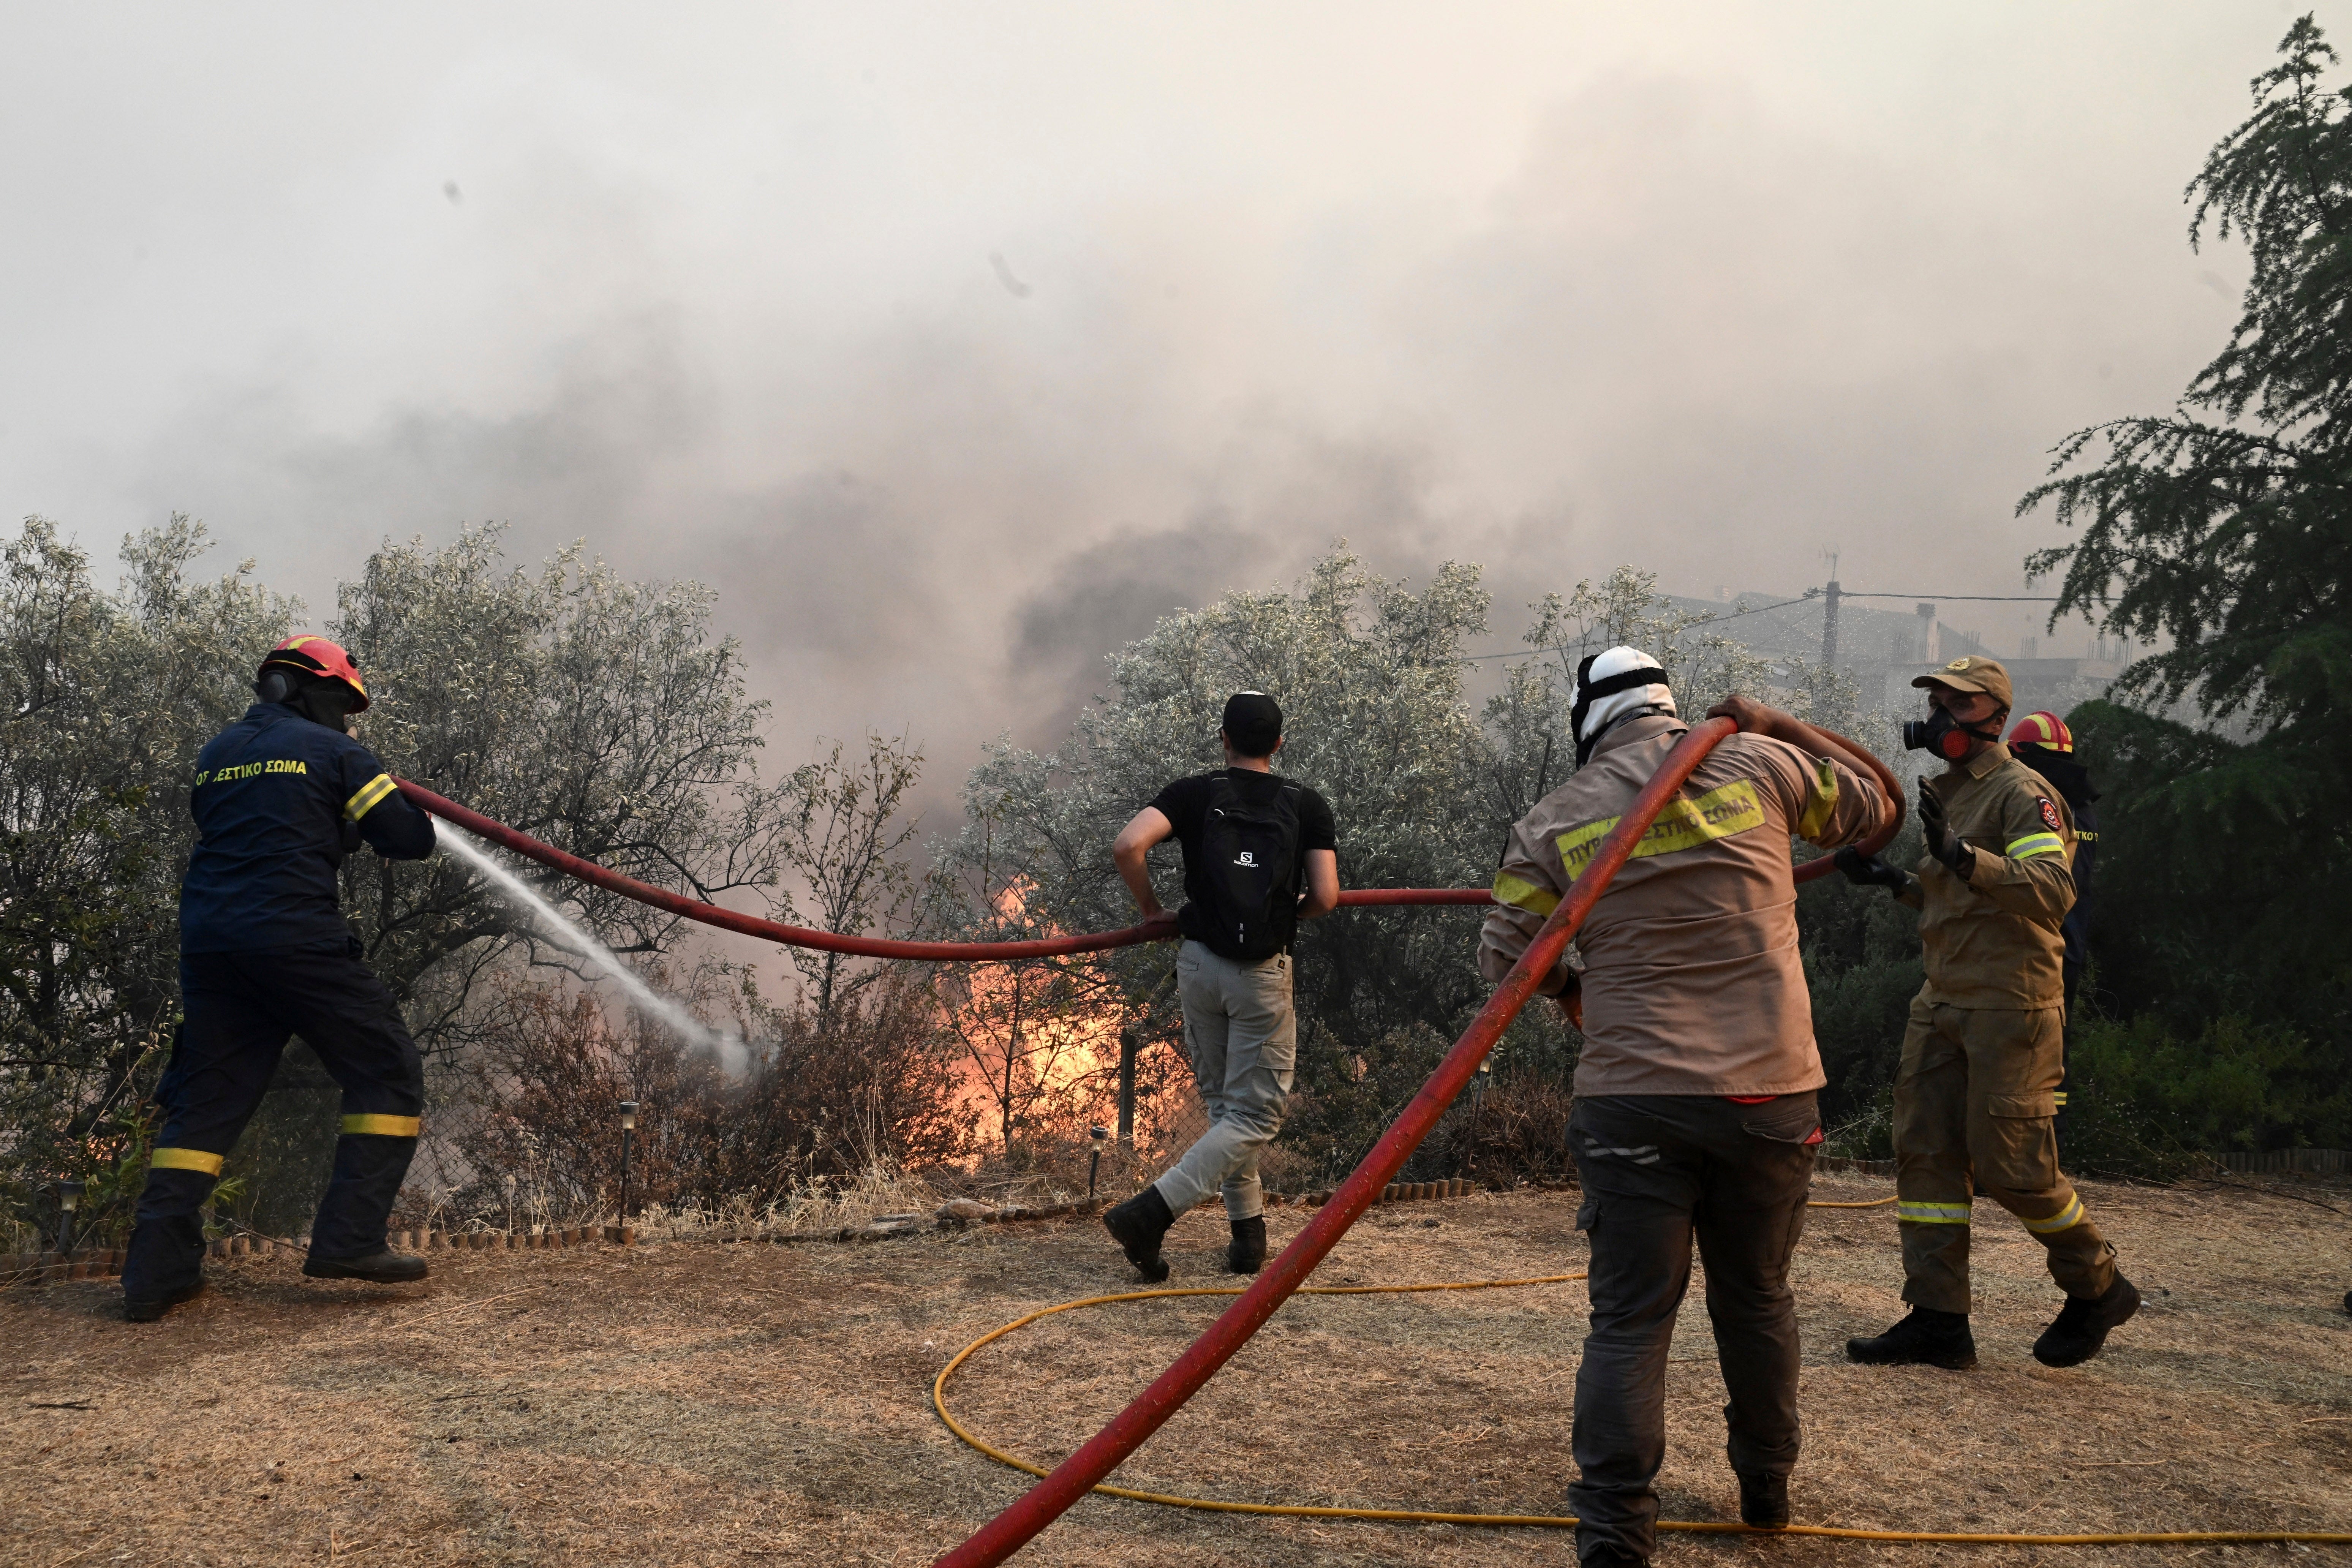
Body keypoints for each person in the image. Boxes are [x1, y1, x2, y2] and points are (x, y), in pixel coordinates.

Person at [1478, 648, 1895, 1568]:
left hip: (1632, 1100)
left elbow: (1507, 954)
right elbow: (1877, 806)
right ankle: (1765, 1486)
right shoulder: (1763, 765)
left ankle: (1615, 1532)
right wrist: (1775, 722)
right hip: (1769, 1092)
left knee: (1629, 1318)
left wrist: (1574, 991)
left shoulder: (1552, 820)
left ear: (1585, 720)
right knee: (1755, 1297)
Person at [121, 635, 439, 1322]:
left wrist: (330, 822)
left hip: (212, 948)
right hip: (295, 937)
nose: (347, 719)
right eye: (339, 702)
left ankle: (155, 1274)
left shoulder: (216, 753)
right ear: (292, 689)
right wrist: (364, 802)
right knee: (386, 1069)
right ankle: (349, 1238)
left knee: (206, 1104)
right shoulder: (338, 754)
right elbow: (408, 839)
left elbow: (261, 825)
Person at [1837, 655, 2137, 1372]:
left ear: (1994, 717)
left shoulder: (2021, 793)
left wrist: (1961, 855)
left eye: (1955, 701)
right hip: (1941, 999)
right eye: (1935, 699)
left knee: (2011, 1168)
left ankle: (2097, 1285)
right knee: (1926, 1155)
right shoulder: (1953, 793)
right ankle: (1939, 1319)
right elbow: (1959, 899)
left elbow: (2048, 892)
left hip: (2011, 1006)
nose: (1938, 713)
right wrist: (1898, 881)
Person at [1100, 691, 1339, 1280]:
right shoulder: (1306, 804)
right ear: (1279, 744)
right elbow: (1327, 897)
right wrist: (1289, 917)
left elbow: (1129, 845)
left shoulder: (1194, 792)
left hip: (1200, 964)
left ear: (1224, 740)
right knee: (1254, 1118)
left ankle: (1248, 1238)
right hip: (1262, 973)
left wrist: (1153, 908)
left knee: (1224, 1108)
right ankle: (1149, 1213)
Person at [2007, 710, 2098, 1144]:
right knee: (2054, 1050)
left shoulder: (2041, 807)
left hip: (2032, 949)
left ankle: (2017, 1151)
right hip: (2071, 948)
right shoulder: (2085, 811)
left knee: (2016, 1051)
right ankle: (2052, 1142)